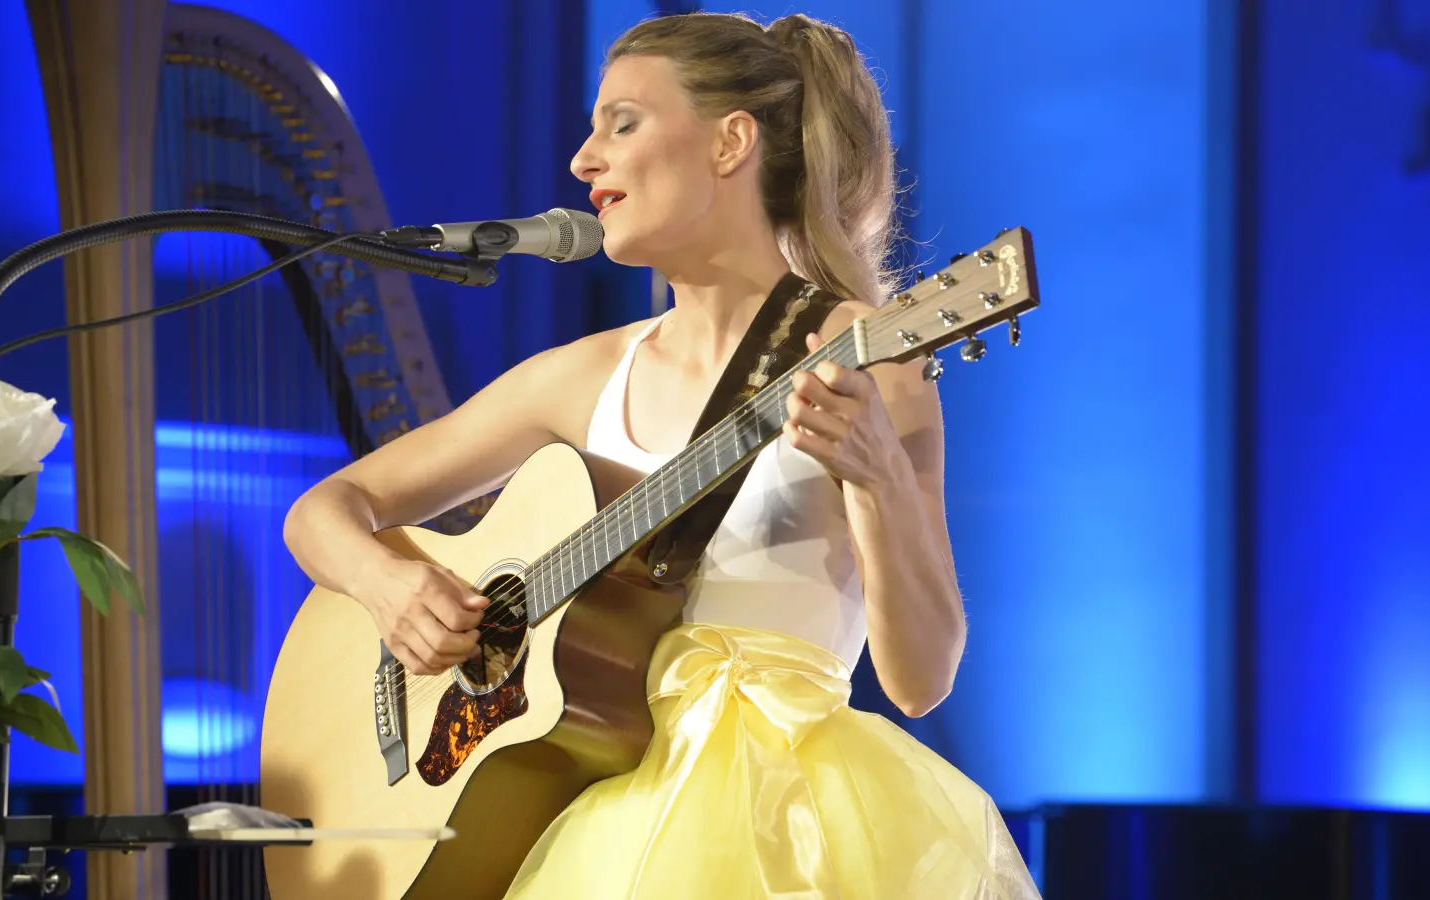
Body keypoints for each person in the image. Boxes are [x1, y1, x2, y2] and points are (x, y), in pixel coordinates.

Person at [283, 10, 1040, 899]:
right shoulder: (581, 376)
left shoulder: (868, 356)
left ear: (730, 144)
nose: (582, 160)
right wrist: (394, 588)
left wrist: (876, 480)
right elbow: (323, 512)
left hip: (784, 822)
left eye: (622, 123)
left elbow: (921, 678)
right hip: (583, 812)